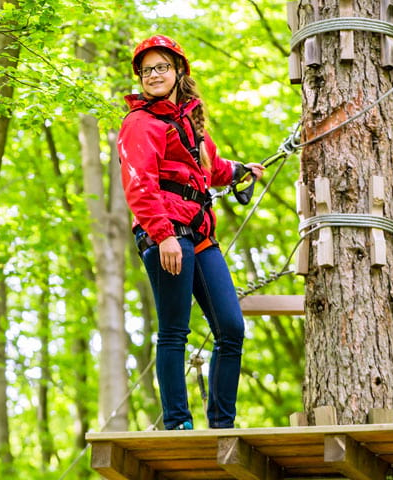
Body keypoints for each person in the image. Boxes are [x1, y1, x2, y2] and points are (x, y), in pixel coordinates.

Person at [117, 35, 264, 430]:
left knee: (231, 328)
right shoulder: (140, 124)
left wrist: (240, 171)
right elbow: (139, 183)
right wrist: (163, 235)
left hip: (198, 235)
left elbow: (211, 168)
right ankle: (178, 423)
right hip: (165, 233)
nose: (154, 75)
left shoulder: (188, 121)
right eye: (147, 70)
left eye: (161, 66)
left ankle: (222, 424)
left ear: (179, 70)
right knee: (174, 331)